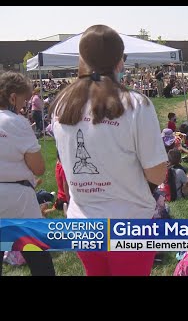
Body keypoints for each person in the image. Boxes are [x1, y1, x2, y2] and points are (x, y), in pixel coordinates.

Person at [49, 25, 168, 276]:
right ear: (120, 62)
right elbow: (157, 175)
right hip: (129, 223)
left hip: (82, 224)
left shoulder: (61, 105)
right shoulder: (136, 104)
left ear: (82, 58)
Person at [0, 71, 55, 276]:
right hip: (18, 198)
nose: (24, 105)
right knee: (37, 254)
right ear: (13, 97)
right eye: (23, 99)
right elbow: (39, 167)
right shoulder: (17, 122)